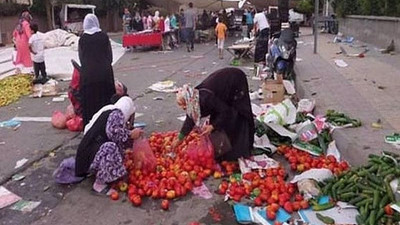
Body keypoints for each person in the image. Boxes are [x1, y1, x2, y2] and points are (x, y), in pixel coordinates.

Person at [173, 68, 255, 161]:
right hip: (222, 89)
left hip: (235, 81)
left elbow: (225, 111)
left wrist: (212, 126)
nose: (183, 108)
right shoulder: (194, 101)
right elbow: (190, 119)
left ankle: (241, 150)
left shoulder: (205, 98)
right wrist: (179, 139)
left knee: (237, 115)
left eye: (184, 105)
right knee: (219, 121)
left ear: (189, 101)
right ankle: (227, 150)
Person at [75, 96, 143, 194]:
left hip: (90, 153)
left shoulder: (112, 112)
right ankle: (99, 185)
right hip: (89, 155)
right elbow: (113, 133)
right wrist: (130, 134)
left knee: (115, 149)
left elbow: (114, 136)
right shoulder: (117, 114)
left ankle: (103, 172)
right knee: (110, 148)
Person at [79, 14, 116, 127]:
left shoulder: (82, 39)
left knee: (90, 103)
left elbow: (81, 58)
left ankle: (90, 128)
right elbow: (110, 57)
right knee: (106, 101)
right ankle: (108, 126)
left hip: (88, 76)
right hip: (104, 74)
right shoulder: (104, 37)